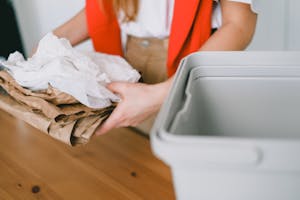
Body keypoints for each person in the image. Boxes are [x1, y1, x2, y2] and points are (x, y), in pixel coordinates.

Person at [48, 0, 257, 135]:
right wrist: (49, 44)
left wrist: (162, 93)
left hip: (196, 60)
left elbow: (239, 25)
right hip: (132, 59)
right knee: (136, 160)